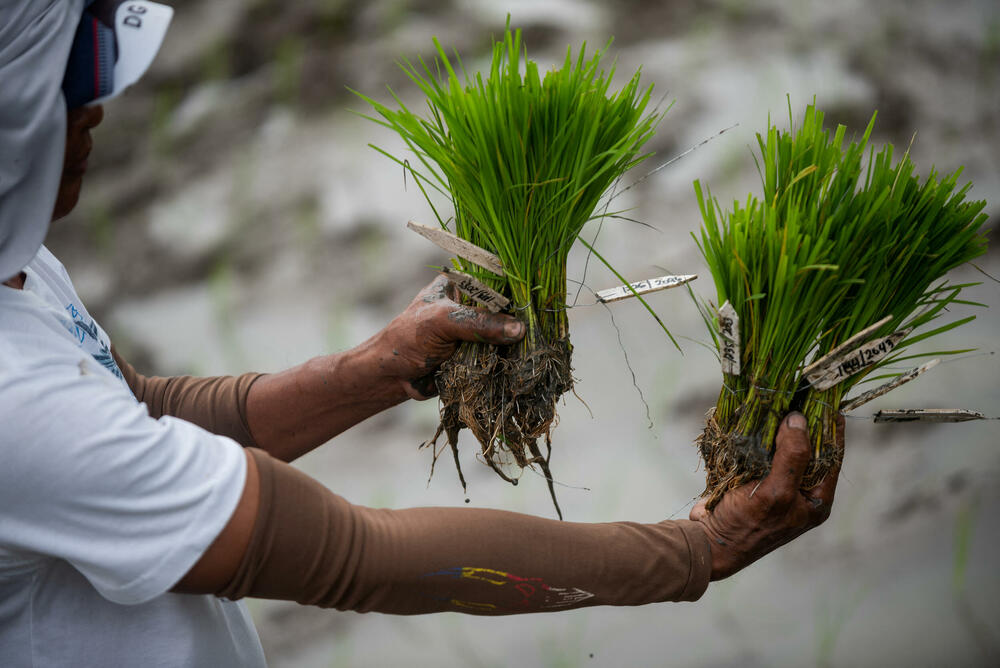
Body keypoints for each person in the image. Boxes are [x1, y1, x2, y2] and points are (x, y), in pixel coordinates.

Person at [0, 1, 842, 666]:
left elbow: (133, 411)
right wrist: (693, 551)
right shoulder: (14, 408)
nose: (98, 104)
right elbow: (356, 557)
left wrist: (377, 368)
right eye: (74, 70)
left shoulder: (20, 265)